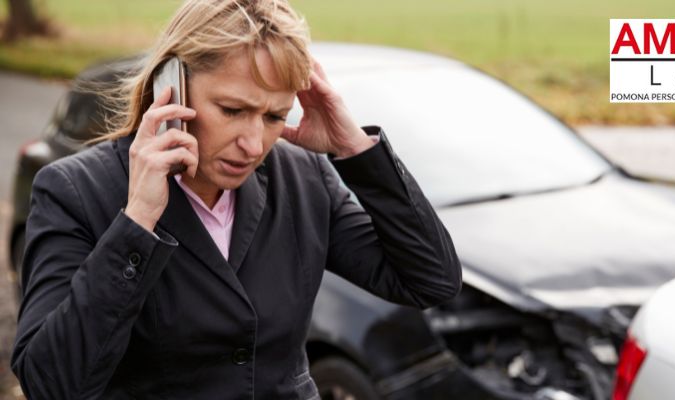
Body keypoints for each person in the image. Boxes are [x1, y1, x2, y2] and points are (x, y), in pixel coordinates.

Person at [10, 0, 462, 398]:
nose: (252, 143)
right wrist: (137, 222)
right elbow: (51, 383)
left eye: (274, 116)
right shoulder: (74, 191)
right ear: (172, 86)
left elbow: (430, 281)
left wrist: (356, 151)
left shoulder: (303, 176)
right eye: (232, 110)